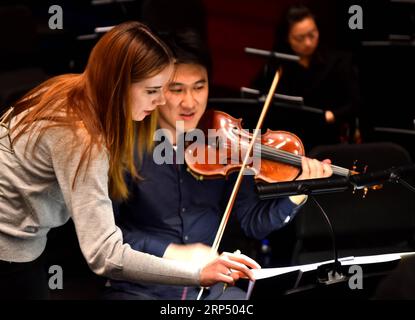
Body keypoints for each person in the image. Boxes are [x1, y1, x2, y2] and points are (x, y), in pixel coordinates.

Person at [0, 22, 260, 300]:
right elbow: (105, 255)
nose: (161, 101)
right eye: (151, 91)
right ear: (118, 84)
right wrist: (196, 273)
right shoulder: (82, 138)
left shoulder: (67, 87)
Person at [104, 29, 333, 300]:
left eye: (199, 87)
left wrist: (296, 195)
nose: (190, 102)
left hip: (210, 291)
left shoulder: (225, 145)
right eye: (176, 89)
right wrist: (172, 251)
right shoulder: (125, 149)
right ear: (154, 89)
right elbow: (107, 236)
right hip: (141, 289)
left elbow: (252, 223)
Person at [255, 4, 360, 150]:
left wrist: (332, 115)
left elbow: (354, 102)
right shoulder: (277, 66)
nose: (308, 43)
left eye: (312, 34)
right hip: (288, 142)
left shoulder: (338, 61)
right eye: (300, 38)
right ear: (287, 38)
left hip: (327, 138)